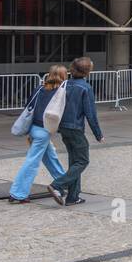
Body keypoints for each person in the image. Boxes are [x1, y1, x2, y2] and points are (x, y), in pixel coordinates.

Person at [48, 56, 103, 207]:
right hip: (75, 128)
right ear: (87, 71)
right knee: (83, 161)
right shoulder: (85, 88)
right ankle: (57, 185)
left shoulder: (66, 84)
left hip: (64, 127)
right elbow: (90, 114)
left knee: (74, 162)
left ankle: (73, 197)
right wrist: (98, 134)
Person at [8, 65, 67, 203]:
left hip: (34, 127)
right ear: (63, 76)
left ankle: (65, 183)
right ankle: (18, 193)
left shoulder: (39, 89)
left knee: (51, 157)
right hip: (45, 130)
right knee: (32, 162)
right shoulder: (61, 92)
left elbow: (28, 108)